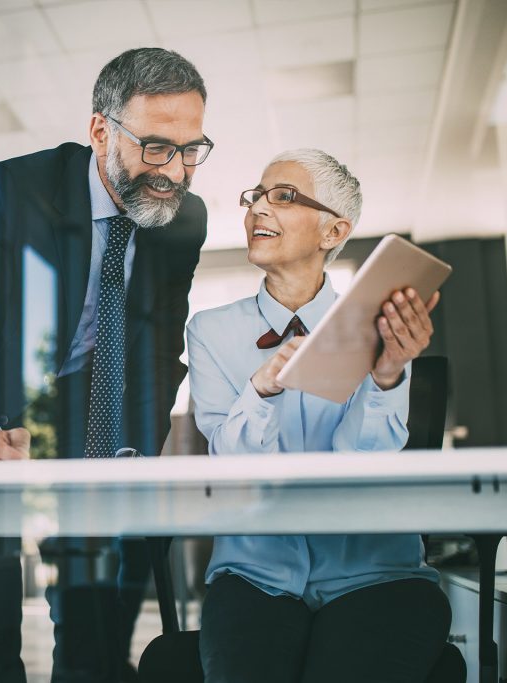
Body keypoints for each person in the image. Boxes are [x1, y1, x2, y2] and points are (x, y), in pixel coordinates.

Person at [0, 48, 210, 682]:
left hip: (91, 414)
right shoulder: (14, 188)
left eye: (192, 148)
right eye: (156, 146)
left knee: (96, 636)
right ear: (100, 130)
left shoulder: (183, 218)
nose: (175, 171)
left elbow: (160, 349)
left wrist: (129, 457)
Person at [186, 149, 453, 683]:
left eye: (282, 196)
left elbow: (362, 461)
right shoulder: (210, 330)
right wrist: (260, 391)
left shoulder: (378, 321)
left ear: (334, 231)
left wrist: (387, 374)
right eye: (255, 196)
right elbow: (232, 468)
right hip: (254, 575)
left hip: (376, 574)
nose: (258, 208)